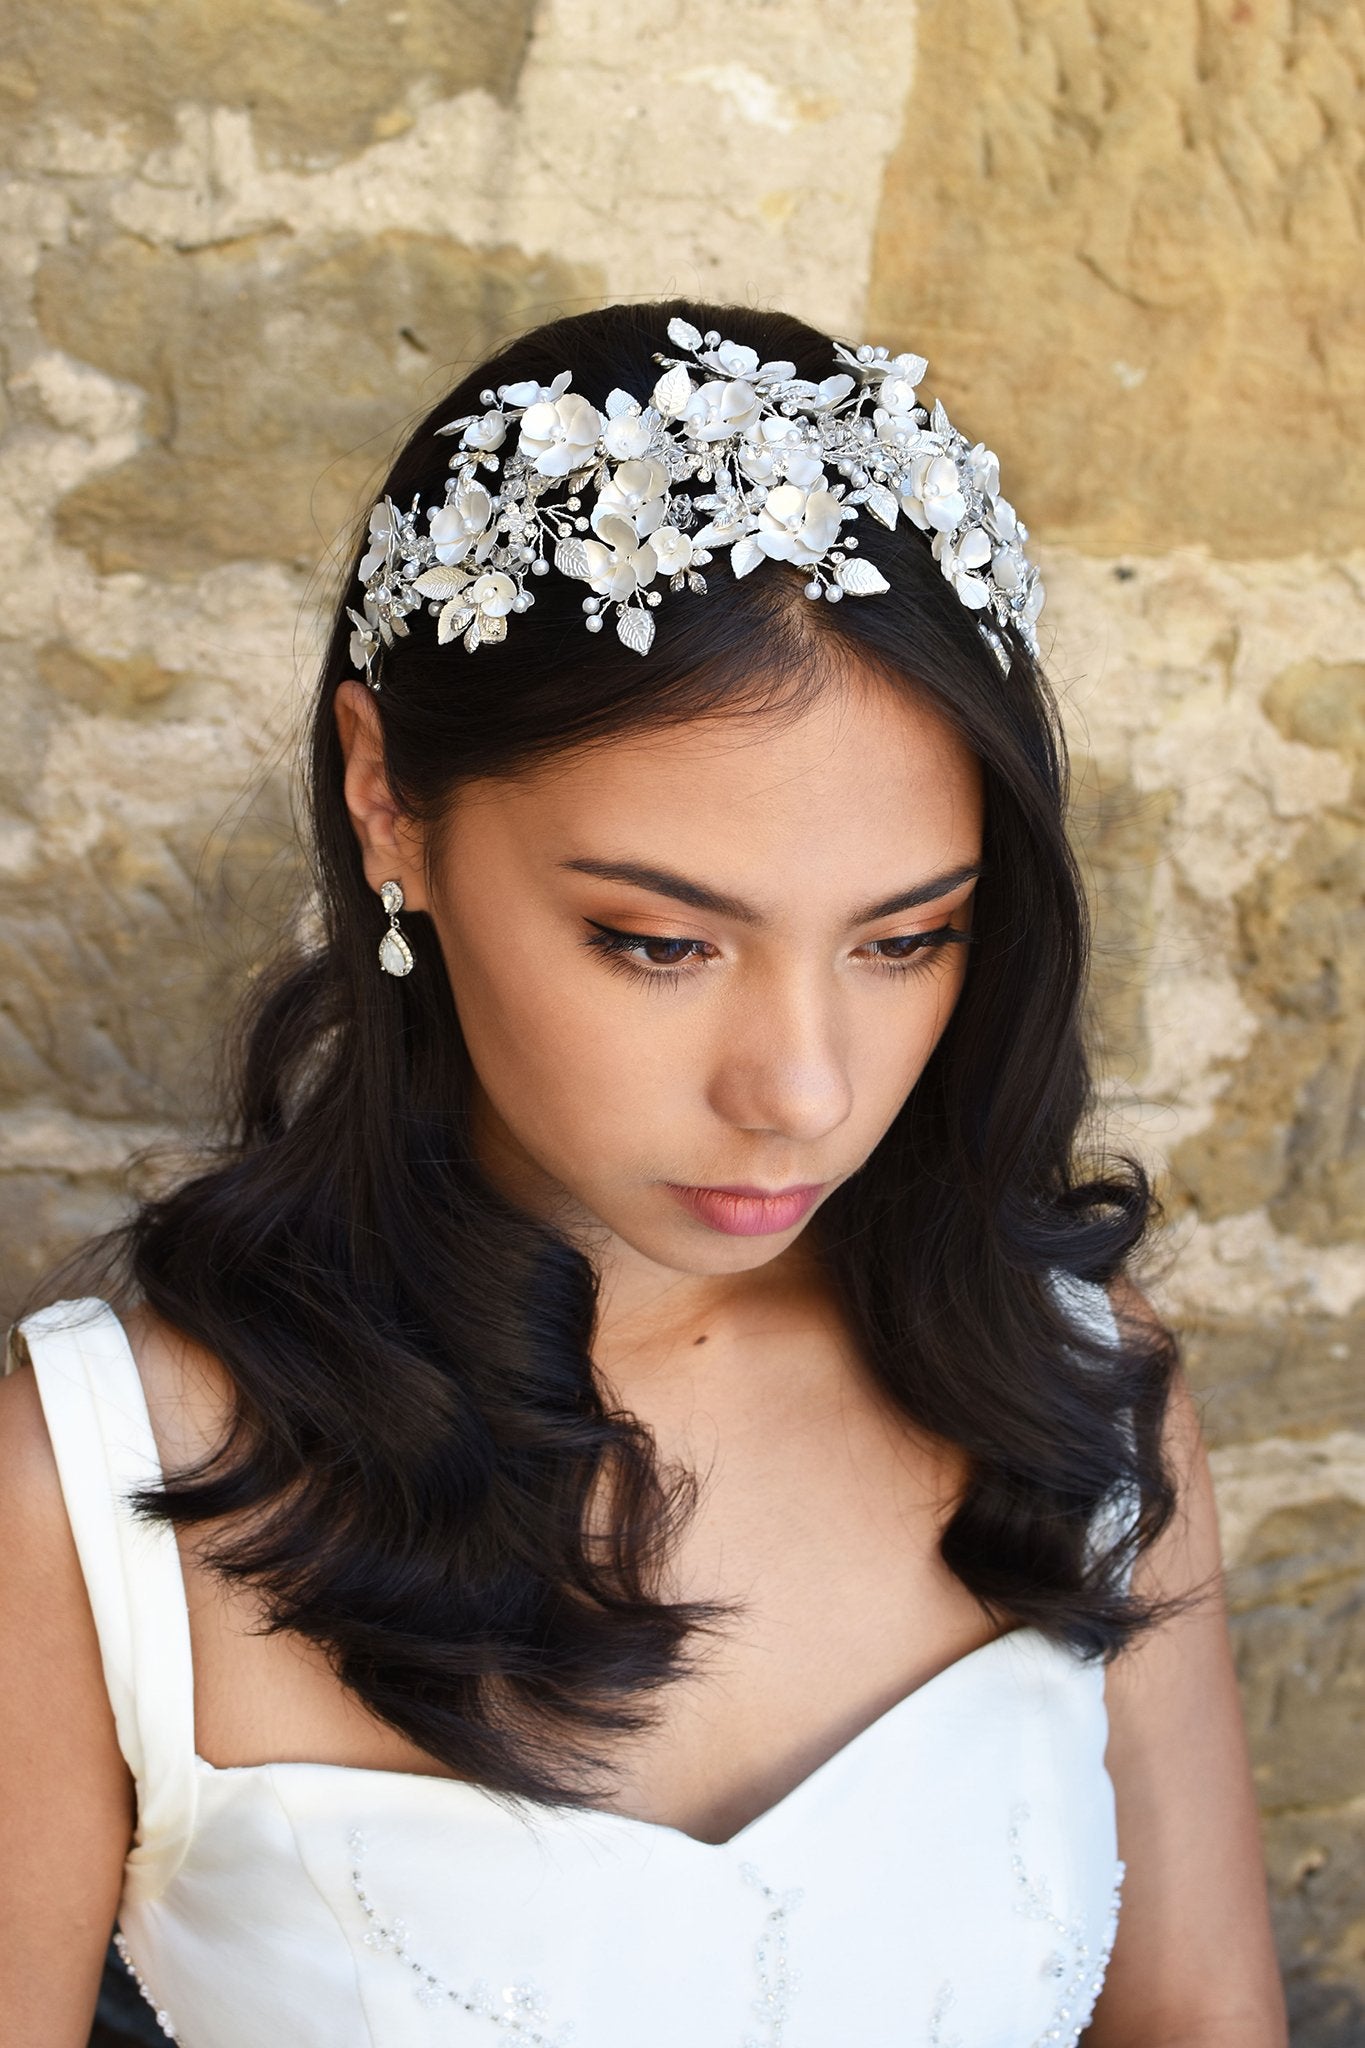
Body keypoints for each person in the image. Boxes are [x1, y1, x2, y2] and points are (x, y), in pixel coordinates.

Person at [0, 299, 1287, 2047]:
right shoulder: (88, 1489)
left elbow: (1203, 2019)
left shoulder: (1070, 1381)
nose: (802, 1093)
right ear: (387, 797)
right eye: (660, 943)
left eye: (905, 941)